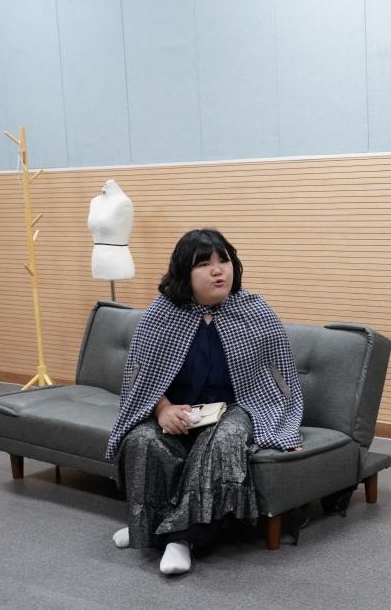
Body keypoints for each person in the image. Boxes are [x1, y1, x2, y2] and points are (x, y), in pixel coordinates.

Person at [104, 228, 304, 575]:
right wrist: (163, 409)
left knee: (225, 440)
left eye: (224, 260)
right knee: (142, 441)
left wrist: (284, 429)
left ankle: (181, 539)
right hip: (178, 410)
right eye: (203, 264)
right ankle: (149, 526)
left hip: (238, 408)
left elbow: (280, 378)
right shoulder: (162, 313)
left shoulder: (254, 310)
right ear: (184, 272)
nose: (218, 270)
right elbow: (141, 377)